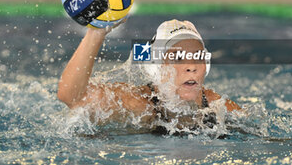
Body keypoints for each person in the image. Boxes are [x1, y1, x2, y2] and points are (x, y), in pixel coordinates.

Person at [57, 19, 241, 135]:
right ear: (157, 68)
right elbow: (71, 96)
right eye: (177, 58)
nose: (191, 67)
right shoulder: (139, 104)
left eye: (197, 57)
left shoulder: (218, 106)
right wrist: (96, 32)